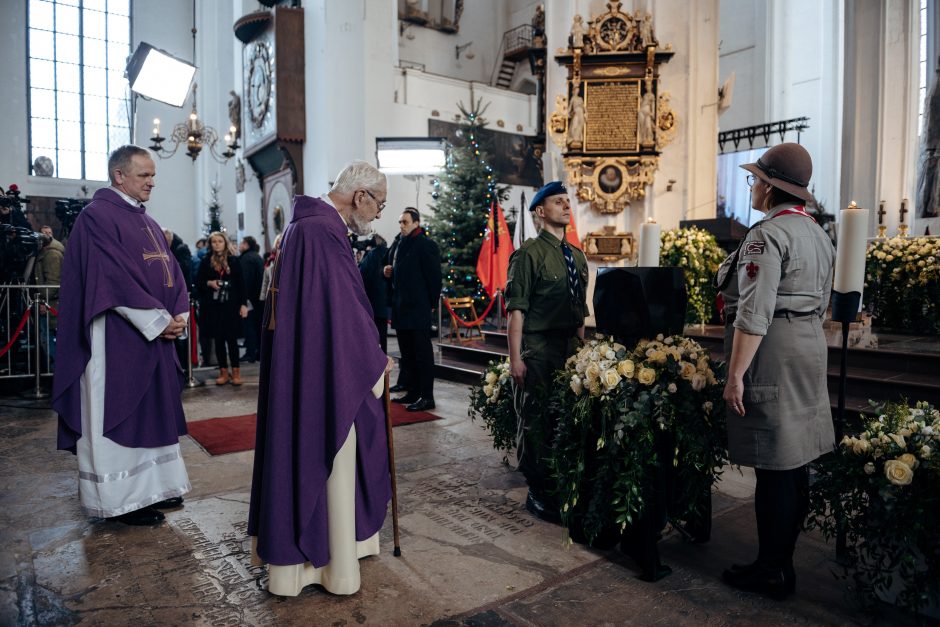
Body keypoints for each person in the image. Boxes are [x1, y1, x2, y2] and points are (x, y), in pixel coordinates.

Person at [248, 160, 393, 597]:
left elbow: (335, 305)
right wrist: (374, 359)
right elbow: (343, 311)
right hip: (325, 369)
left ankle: (329, 554)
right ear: (360, 196)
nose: (380, 214)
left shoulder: (307, 227)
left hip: (311, 360)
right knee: (328, 452)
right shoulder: (320, 232)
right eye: (379, 204)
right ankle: (324, 564)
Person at [715, 142, 835, 600]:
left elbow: (754, 312)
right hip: (808, 347)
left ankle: (772, 569)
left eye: (755, 180)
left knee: (773, 467)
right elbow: (822, 302)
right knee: (795, 462)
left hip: (773, 352)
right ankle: (781, 563)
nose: (753, 187)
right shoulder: (818, 234)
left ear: (769, 188)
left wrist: (734, 377)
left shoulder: (768, 234)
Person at [52, 145, 190, 526]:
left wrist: (177, 314)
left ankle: (154, 489)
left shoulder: (143, 220)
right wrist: (158, 320)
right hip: (116, 336)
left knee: (152, 411)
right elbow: (111, 278)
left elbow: (171, 270)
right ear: (119, 176)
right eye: (144, 175)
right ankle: (121, 500)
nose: (152, 182)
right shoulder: (96, 218)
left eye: (153, 175)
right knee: (117, 411)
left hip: (153, 334)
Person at [505, 181, 589, 522]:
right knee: (536, 421)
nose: (566, 206)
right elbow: (516, 311)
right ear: (540, 211)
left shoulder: (576, 256)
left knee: (562, 421)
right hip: (539, 351)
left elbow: (580, 308)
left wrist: (582, 350)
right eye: (558, 201)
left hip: (569, 350)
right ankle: (538, 492)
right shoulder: (528, 254)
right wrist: (516, 359)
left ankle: (559, 482)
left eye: (568, 201)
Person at [385, 208, 442, 412]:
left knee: (422, 355)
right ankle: (413, 391)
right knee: (408, 354)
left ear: (416, 223)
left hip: (418, 308)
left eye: (405, 222)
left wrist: (430, 304)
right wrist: (388, 271)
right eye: (400, 222)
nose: (401, 225)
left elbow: (434, 278)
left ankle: (427, 396)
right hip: (401, 308)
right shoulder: (401, 243)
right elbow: (395, 268)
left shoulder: (425, 245)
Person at [196, 231, 249, 385]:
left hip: (231, 305)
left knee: (232, 340)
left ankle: (236, 372)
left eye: (220, 241)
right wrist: (209, 283)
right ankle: (223, 372)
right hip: (214, 307)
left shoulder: (234, 261)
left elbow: (241, 284)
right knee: (218, 340)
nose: (217, 244)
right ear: (210, 244)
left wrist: (243, 304)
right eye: (214, 242)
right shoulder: (206, 261)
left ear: (225, 243)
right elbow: (198, 282)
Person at [162, 229, 194, 369]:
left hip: (180, 294)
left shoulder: (180, 250)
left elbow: (183, 270)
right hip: (166, 296)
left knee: (180, 334)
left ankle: (184, 368)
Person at [34, 230, 65, 365]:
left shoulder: (52, 254)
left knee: (50, 339)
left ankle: (55, 374)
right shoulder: (49, 252)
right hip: (50, 304)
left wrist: (42, 300)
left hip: (50, 305)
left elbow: (53, 282)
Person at [359, 234, 390, 353]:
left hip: (371, 302)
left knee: (372, 338)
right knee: (382, 336)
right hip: (384, 302)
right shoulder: (388, 252)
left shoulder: (371, 255)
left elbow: (362, 276)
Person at [239, 236, 265, 363]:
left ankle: (251, 353)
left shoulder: (246, 258)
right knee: (257, 326)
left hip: (250, 298)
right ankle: (259, 352)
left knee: (249, 326)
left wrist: (244, 299)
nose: (239, 245)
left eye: (242, 243)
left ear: (246, 244)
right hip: (259, 298)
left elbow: (245, 280)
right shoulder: (257, 256)